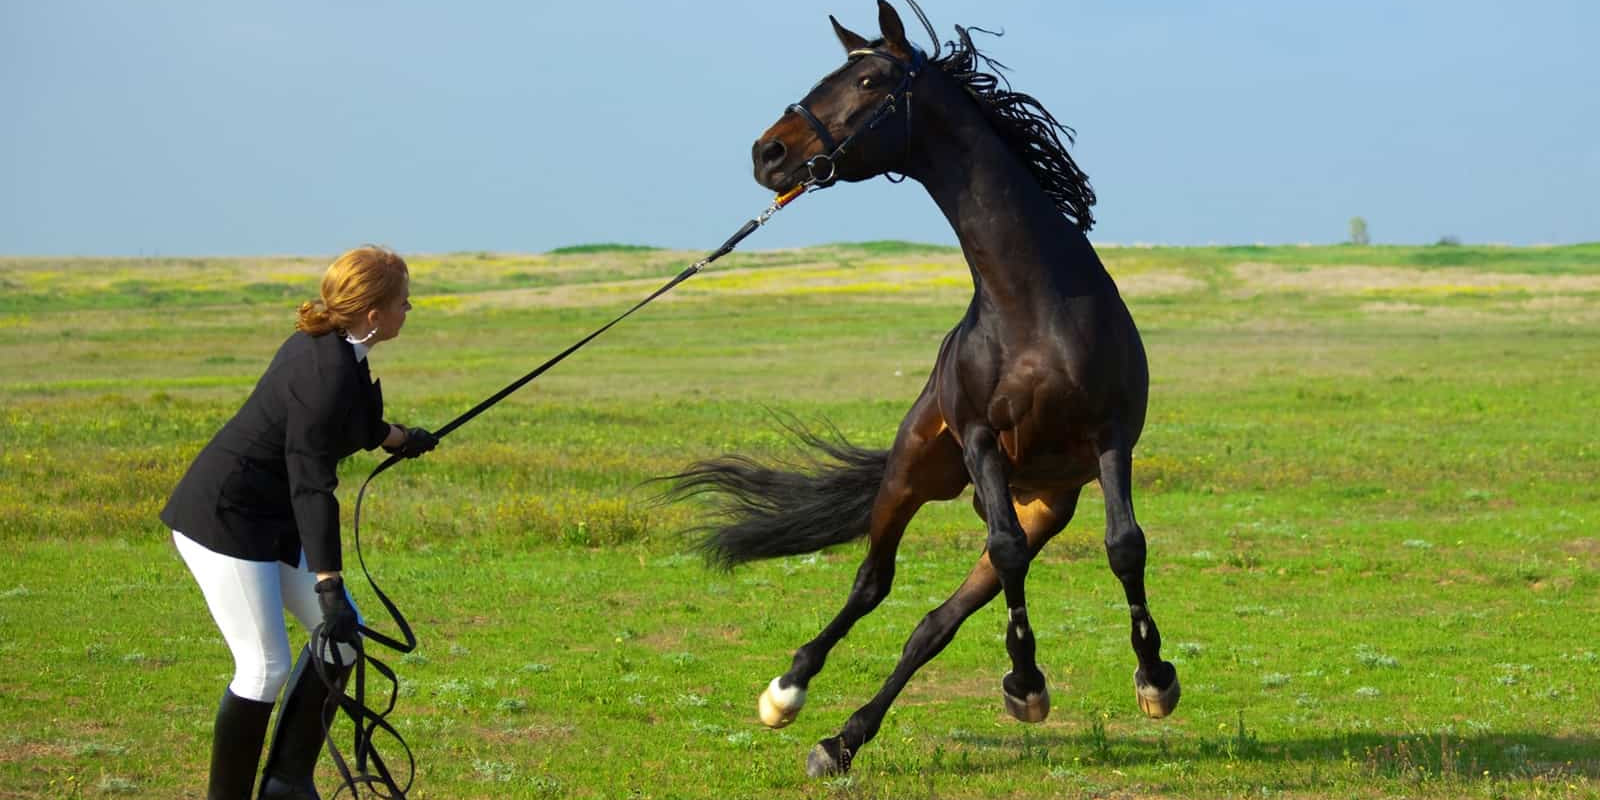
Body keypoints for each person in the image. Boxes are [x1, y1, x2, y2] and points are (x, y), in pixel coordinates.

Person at [161, 245, 438, 800]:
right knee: (264, 666)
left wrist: (398, 439)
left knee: (341, 643)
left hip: (271, 522)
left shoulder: (340, 348)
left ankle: (287, 783)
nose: (411, 308)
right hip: (226, 523)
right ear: (375, 313)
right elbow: (311, 483)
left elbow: (350, 418)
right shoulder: (323, 369)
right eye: (404, 301)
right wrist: (328, 585)